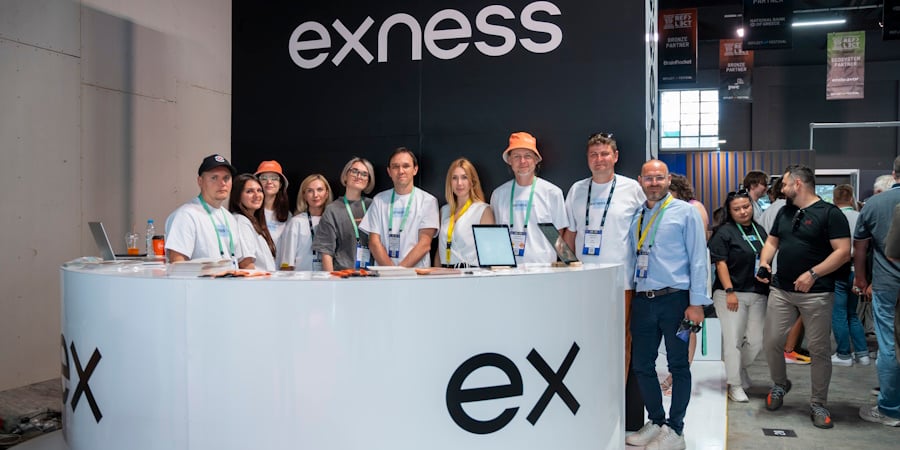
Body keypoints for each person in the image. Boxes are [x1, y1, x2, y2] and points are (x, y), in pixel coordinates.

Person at [756, 164, 850, 429]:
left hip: (816, 293)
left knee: (819, 350)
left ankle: (818, 403)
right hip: (781, 290)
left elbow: (843, 251)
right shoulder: (784, 211)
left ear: (798, 184)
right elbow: (772, 241)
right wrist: (764, 262)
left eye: (785, 184)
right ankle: (780, 383)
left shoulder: (830, 214)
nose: (782, 189)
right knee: (771, 341)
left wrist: (813, 274)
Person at [625, 160, 710, 450]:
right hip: (644, 301)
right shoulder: (637, 215)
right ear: (640, 180)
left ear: (668, 179)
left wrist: (696, 303)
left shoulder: (686, 212)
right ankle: (656, 421)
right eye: (648, 178)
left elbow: (699, 259)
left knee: (678, 365)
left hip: (677, 301)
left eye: (659, 178)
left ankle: (676, 430)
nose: (654, 183)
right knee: (642, 364)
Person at [563, 132, 644, 379]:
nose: (599, 159)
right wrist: (567, 270)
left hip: (621, 281)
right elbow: (570, 234)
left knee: (620, 338)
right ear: (587, 158)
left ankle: (617, 392)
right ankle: (591, 386)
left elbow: (646, 229)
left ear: (615, 156)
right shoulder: (577, 189)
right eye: (594, 155)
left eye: (605, 154)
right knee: (586, 335)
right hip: (585, 280)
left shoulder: (632, 189)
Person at [707, 189, 769, 403]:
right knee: (732, 341)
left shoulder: (760, 230)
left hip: (758, 293)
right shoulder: (724, 232)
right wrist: (729, 290)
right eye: (737, 209)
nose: (743, 212)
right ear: (730, 211)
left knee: (755, 341)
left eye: (746, 207)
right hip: (730, 294)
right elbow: (720, 263)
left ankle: (738, 369)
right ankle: (734, 384)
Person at [853, 156, 900, 427]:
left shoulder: (875, 204)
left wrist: (861, 278)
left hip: (887, 285)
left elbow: (860, 246)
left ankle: (890, 409)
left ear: (894, 174)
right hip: (886, 285)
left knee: (889, 345)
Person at [489, 132, 569, 264]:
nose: (522, 161)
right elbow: (495, 235)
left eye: (527, 156)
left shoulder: (552, 193)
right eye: (516, 156)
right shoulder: (498, 195)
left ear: (536, 160)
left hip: (543, 268)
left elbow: (558, 235)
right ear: (509, 160)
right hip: (508, 268)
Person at [360, 148, 439, 268]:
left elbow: (424, 244)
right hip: (385, 274)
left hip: (416, 274)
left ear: (415, 169)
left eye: (406, 166)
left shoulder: (428, 201)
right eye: (395, 166)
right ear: (389, 171)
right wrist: (392, 272)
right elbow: (374, 242)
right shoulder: (379, 200)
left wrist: (399, 271)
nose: (401, 171)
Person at [165, 154, 249, 267]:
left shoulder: (229, 218)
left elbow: (237, 260)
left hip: (229, 277)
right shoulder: (186, 215)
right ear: (200, 181)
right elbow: (177, 263)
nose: (222, 183)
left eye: (226, 178)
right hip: (200, 279)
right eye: (214, 178)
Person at [313, 158, 376, 271]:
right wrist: (331, 279)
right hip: (342, 276)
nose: (359, 176)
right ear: (346, 175)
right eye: (354, 171)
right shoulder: (332, 210)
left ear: (368, 180)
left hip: (371, 276)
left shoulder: (373, 206)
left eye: (364, 174)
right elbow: (326, 252)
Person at [830, 184, 869, 367]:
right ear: (851, 198)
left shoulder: (832, 217)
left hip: (838, 270)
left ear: (834, 199)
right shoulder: (860, 216)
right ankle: (862, 353)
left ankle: (844, 354)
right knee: (852, 313)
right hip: (858, 270)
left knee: (838, 313)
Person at [434, 158, 494, 267]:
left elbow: (489, 254)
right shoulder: (444, 210)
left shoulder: (483, 210)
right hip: (444, 272)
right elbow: (440, 251)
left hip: (470, 273)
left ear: (472, 182)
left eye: (464, 177)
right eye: (454, 178)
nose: (459, 183)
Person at [278, 174, 333, 271]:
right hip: (301, 278)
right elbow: (286, 262)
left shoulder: (333, 220)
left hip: (329, 277)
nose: (315, 195)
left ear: (327, 193)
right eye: (310, 191)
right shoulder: (296, 222)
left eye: (320, 190)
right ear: (304, 195)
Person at [229, 174, 276, 271]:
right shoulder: (241, 221)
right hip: (255, 280)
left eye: (259, 190)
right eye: (249, 191)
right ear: (237, 196)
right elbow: (245, 264)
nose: (257, 195)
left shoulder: (254, 221)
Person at [255, 160, 291, 245]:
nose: (269, 182)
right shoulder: (251, 212)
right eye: (264, 178)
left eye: (274, 178)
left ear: (280, 184)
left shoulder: (287, 215)